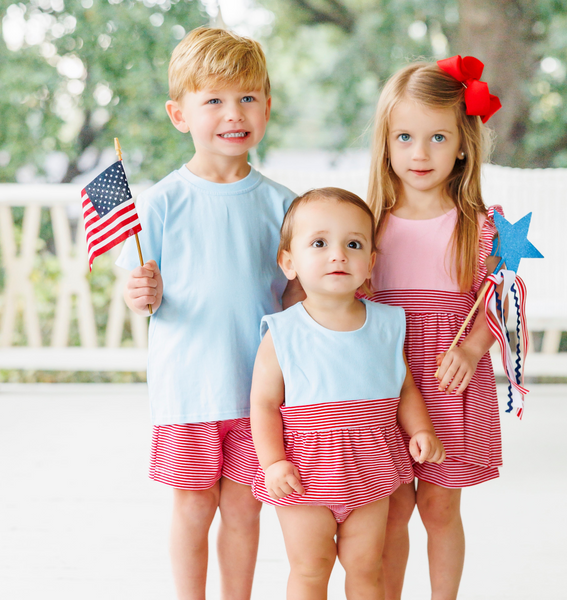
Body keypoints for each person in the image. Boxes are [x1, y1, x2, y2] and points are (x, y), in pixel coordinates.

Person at [116, 27, 300, 600]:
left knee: (245, 511)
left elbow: (293, 297)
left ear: (267, 108)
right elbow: (139, 295)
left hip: (258, 393)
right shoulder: (160, 202)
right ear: (180, 113)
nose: (233, 113)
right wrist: (141, 292)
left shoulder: (283, 204)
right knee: (193, 507)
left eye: (248, 98)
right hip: (188, 387)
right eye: (213, 100)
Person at [250, 187, 445, 600]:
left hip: (372, 468)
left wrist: (421, 430)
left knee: (366, 567)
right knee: (309, 569)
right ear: (289, 262)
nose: (337, 254)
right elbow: (264, 405)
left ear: (370, 262)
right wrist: (272, 463)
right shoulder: (284, 332)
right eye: (319, 243)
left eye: (353, 244)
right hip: (305, 473)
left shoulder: (388, 324)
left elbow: (404, 386)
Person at [365, 56, 503, 600]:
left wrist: (471, 348)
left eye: (437, 137)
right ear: (387, 142)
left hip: (450, 379)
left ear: (463, 143)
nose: (419, 153)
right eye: (405, 136)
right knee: (393, 506)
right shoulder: (368, 221)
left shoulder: (478, 224)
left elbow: (501, 303)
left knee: (441, 506)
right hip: (387, 378)